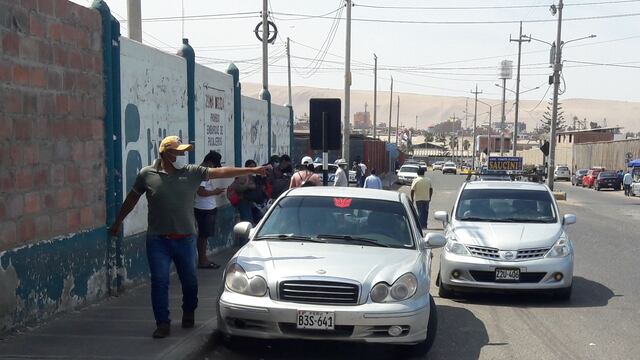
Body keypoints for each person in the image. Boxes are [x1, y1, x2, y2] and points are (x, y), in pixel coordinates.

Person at [109, 136, 267, 339]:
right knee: (160, 281)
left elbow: (221, 171)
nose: (183, 155)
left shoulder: (192, 172)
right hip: (158, 240)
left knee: (190, 282)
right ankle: (162, 323)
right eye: (179, 152)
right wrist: (117, 223)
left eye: (184, 152)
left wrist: (251, 170)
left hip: (185, 240)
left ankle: (189, 311)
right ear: (166, 153)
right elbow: (131, 199)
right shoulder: (147, 174)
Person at [193, 151, 225, 270]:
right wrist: (214, 192)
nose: (214, 168)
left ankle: (203, 259)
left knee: (204, 236)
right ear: (210, 162)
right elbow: (200, 191)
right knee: (203, 236)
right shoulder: (203, 172)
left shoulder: (200, 171)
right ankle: (202, 260)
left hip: (205, 207)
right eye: (214, 165)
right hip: (204, 208)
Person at [233, 160, 267, 225]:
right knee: (248, 223)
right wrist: (247, 185)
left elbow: (260, 188)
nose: (252, 169)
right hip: (244, 203)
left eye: (254, 167)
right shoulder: (241, 177)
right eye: (251, 167)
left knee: (261, 221)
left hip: (255, 204)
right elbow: (238, 188)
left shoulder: (256, 178)